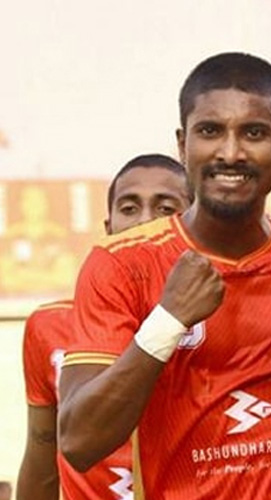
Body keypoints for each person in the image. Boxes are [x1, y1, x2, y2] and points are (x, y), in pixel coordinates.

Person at [56, 52, 271, 499]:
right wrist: (167, 322)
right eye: (210, 131)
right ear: (182, 143)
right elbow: (78, 442)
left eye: (253, 133)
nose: (230, 153)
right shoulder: (121, 264)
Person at [17, 154, 191, 500]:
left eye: (165, 209)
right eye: (129, 208)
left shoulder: (225, 320)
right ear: (109, 228)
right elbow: (42, 457)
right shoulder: (49, 326)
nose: (144, 222)